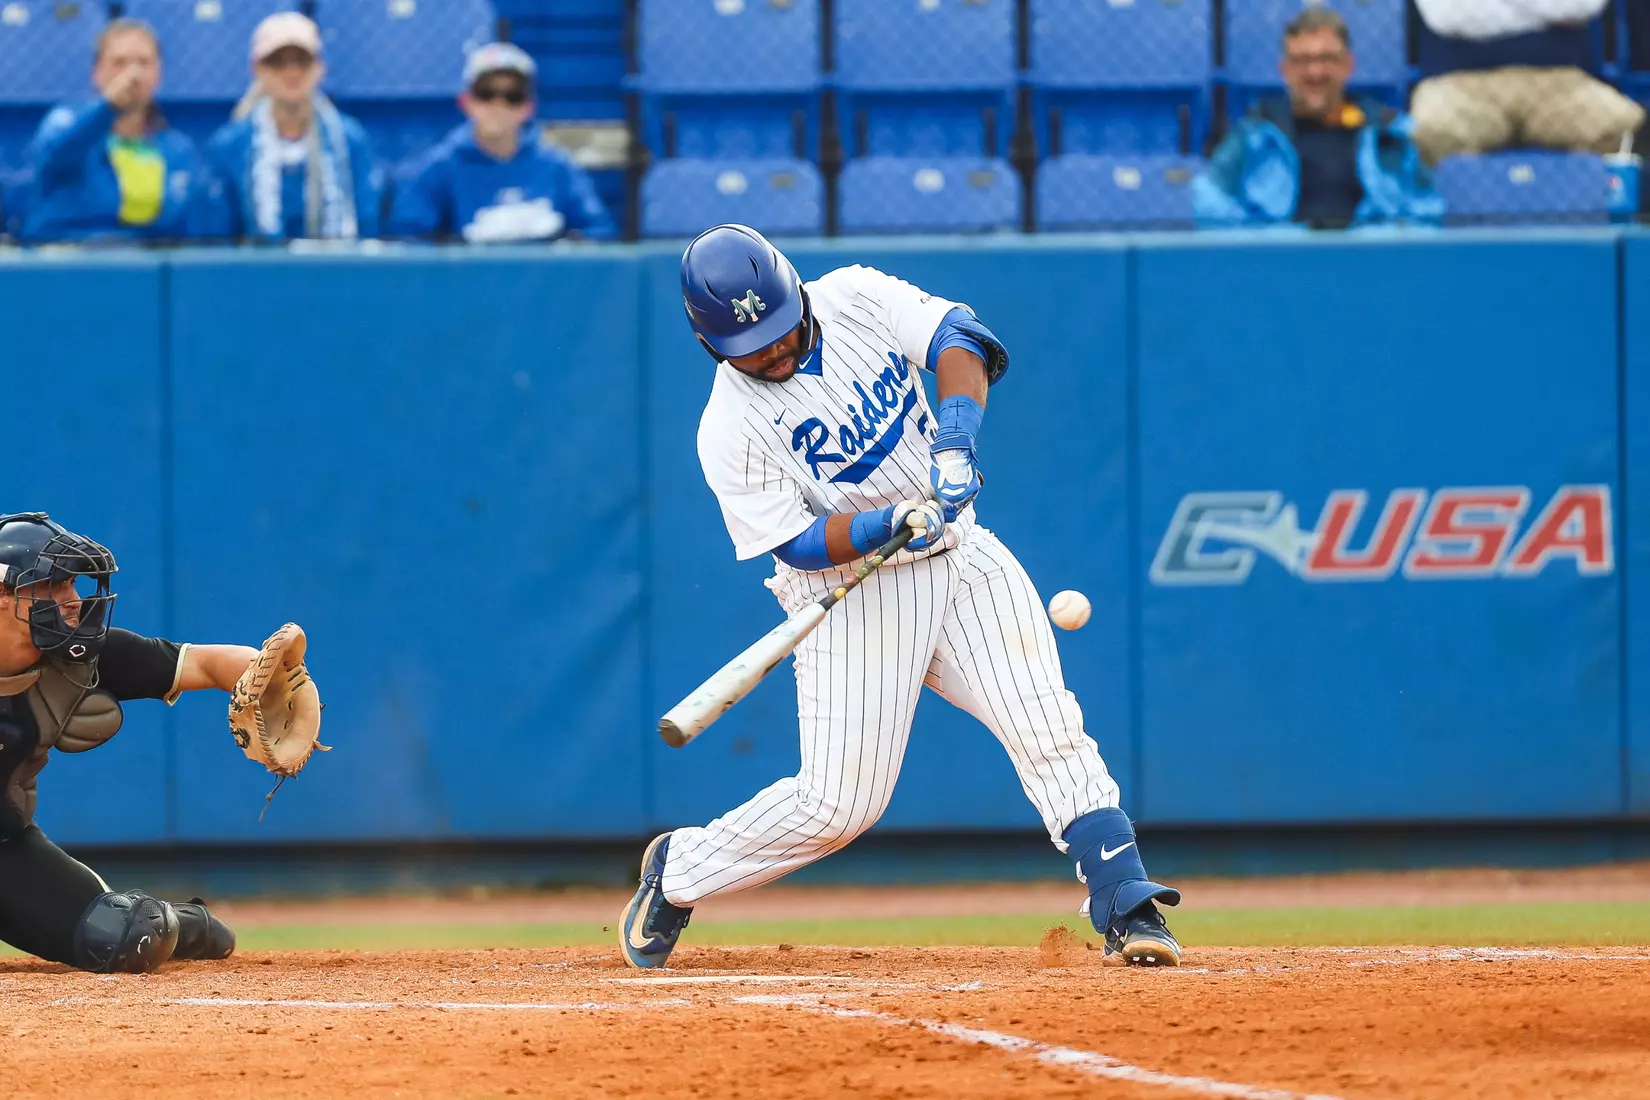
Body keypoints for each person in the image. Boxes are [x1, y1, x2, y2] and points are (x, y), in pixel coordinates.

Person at [619, 224, 1182, 970]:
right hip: (850, 594)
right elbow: (795, 541)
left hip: (960, 555)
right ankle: (681, 870)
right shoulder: (727, 428)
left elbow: (960, 339)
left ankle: (1125, 900)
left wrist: (955, 438)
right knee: (840, 805)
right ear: (711, 345)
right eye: (753, 347)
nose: (777, 351)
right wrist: (887, 522)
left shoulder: (854, 295)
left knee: (1045, 722)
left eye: (783, 330)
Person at [0, 512, 312, 973]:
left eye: (73, 585)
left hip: (6, 849)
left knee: (123, 935)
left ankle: (183, 923)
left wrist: (267, 678)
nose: (72, 600)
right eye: (52, 586)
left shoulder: (79, 658)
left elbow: (207, 664)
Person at [1192, 8, 1443, 229]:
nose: (1315, 72)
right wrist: (1267, 245)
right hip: (1282, 269)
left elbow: (1425, 212)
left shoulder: (1388, 136)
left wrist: (1373, 240)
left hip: (1368, 268)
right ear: (1285, 71)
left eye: (1328, 59)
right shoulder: (1254, 135)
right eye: (1302, 61)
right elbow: (1209, 202)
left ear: (1348, 65)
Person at [387, 43, 615, 243]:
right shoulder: (440, 168)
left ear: (529, 107)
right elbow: (409, 239)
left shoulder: (557, 167)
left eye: (512, 96)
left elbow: (597, 230)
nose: (499, 106)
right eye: (486, 94)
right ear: (466, 102)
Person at [21, 18, 206, 244]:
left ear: (159, 74)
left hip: (147, 266)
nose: (132, 75)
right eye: (120, 63)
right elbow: (53, 154)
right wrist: (108, 107)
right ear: (96, 73)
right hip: (69, 258)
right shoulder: (65, 122)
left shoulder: (178, 149)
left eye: (143, 63)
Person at [202, 12, 381, 242]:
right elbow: (218, 235)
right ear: (257, 70)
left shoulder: (350, 140)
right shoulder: (230, 144)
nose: (292, 72)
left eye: (302, 61)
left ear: (320, 68)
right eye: (277, 62)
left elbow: (367, 223)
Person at [1412, 0, 1646, 163]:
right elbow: (1448, 17)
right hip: (1459, 84)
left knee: (1622, 126)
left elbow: (1581, 5)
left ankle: (1585, 215)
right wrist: (1540, 13)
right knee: (1435, 129)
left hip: (1561, 83)